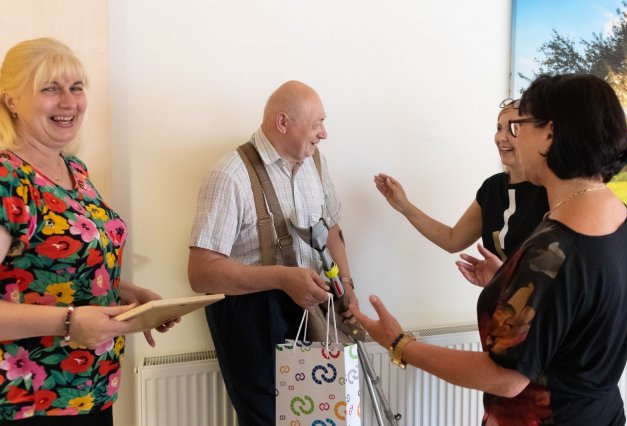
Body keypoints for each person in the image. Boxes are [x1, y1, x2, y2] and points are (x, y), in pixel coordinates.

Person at [353, 73, 627, 425]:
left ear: (550, 133)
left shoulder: (555, 248)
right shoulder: (617, 215)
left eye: (519, 126)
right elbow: (570, 314)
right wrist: (508, 281)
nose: (511, 138)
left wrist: (400, 344)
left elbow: (505, 378)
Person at [0, 38, 176, 425]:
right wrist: (68, 322)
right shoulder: (7, 178)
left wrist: (125, 292)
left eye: (76, 88)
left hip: (92, 392)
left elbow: (54, 268)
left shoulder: (74, 170)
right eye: (50, 88)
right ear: (11, 99)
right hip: (27, 401)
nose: (69, 102)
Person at [188, 80, 358, 426]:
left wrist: (347, 285)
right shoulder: (230, 175)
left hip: (312, 314)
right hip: (254, 322)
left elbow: (332, 229)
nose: (324, 133)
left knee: (317, 419)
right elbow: (201, 273)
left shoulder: (316, 164)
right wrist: (282, 278)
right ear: (283, 122)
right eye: (317, 123)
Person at [374, 100, 549, 263]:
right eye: (499, 128)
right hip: (496, 288)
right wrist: (404, 206)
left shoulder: (548, 189)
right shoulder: (491, 187)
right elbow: (452, 240)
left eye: (513, 129)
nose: (501, 138)